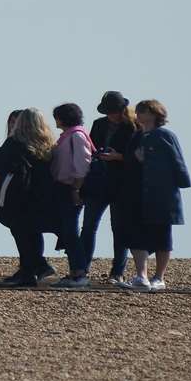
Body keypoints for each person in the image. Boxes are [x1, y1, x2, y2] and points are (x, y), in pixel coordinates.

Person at [128, 99, 190, 291]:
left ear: (154, 113)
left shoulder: (164, 135)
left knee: (162, 236)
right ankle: (141, 276)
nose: (137, 115)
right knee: (137, 235)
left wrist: (180, 184)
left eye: (143, 111)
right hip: (140, 193)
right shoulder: (138, 136)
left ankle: (159, 277)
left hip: (162, 194)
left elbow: (177, 161)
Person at [0, 108, 57, 286]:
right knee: (32, 232)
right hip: (39, 194)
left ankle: (29, 271)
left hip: (16, 194)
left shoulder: (14, 143)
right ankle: (34, 267)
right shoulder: (47, 143)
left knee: (21, 232)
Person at [76, 92, 134, 285]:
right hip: (99, 181)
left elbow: (137, 157)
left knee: (119, 229)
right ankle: (82, 268)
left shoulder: (133, 126)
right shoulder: (99, 124)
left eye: (114, 112)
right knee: (89, 226)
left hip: (122, 184)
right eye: (109, 112)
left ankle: (117, 272)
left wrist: (119, 157)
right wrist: (99, 155)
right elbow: (91, 148)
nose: (111, 116)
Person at [46, 103, 94, 285]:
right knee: (67, 231)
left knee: (71, 231)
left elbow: (82, 165)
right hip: (65, 187)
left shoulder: (76, 136)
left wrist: (76, 189)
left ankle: (80, 273)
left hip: (71, 188)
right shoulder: (69, 136)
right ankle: (75, 271)